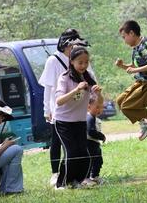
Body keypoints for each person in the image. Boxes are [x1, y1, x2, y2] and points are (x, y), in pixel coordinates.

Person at [38, 28, 89, 187]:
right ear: (67, 45)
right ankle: (56, 174)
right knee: (57, 142)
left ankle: (75, 177)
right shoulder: (53, 60)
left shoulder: (81, 61)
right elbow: (48, 87)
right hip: (59, 108)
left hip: (76, 108)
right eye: (74, 44)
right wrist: (47, 110)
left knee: (76, 148)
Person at [54, 46, 103, 189]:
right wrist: (77, 89)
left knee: (83, 152)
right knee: (71, 152)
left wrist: (99, 94)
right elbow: (59, 101)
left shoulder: (89, 78)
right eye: (80, 62)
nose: (83, 65)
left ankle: (78, 180)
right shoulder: (64, 78)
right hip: (63, 121)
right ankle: (61, 184)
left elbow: (98, 103)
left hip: (80, 122)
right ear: (72, 62)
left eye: (86, 62)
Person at [115, 20, 147, 140]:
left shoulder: (146, 44)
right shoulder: (136, 48)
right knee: (120, 101)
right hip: (140, 81)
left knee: (127, 106)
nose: (124, 40)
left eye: (124, 37)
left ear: (131, 33)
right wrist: (123, 66)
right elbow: (135, 66)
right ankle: (144, 122)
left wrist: (135, 70)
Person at [86, 94, 106, 184]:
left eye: (101, 107)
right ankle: (88, 177)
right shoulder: (89, 117)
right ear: (89, 106)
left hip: (95, 144)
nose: (99, 110)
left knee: (98, 161)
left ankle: (95, 176)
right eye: (97, 107)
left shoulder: (94, 117)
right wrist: (102, 136)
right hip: (90, 143)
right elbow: (91, 131)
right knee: (90, 161)